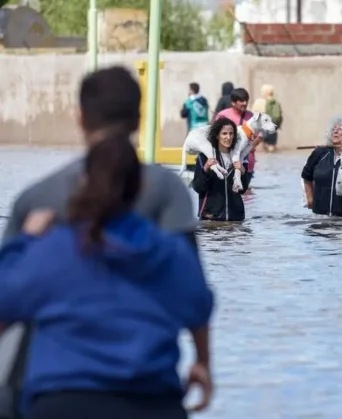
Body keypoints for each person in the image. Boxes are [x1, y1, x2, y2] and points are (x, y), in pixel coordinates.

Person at [0, 66, 207, 417]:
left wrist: (27, 243)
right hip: (149, 388)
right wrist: (203, 363)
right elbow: (195, 296)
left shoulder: (39, 206)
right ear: (139, 118)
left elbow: (8, 301)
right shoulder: (167, 200)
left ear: (80, 117)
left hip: (51, 388)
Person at [301, 116, 342, 217]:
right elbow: (306, 176)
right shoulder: (320, 153)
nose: (335, 131)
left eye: (339, 129)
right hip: (320, 217)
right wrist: (310, 198)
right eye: (333, 129)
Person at [191, 117, 249, 221]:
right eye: (224, 133)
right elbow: (198, 187)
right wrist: (205, 169)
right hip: (210, 218)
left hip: (235, 219)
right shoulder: (204, 156)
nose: (228, 137)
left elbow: (243, 189)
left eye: (231, 133)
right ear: (217, 135)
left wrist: (243, 171)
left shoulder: (239, 157)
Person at [214, 87, 261, 186]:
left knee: (245, 195)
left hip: (246, 164)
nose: (245, 103)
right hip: (226, 163)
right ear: (233, 102)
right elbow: (215, 135)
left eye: (246, 101)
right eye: (241, 101)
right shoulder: (223, 115)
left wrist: (249, 148)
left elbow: (258, 136)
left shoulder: (252, 117)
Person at [251, 84, 283, 152]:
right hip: (272, 129)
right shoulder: (275, 103)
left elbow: (252, 115)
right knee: (271, 148)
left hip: (261, 129)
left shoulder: (258, 102)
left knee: (261, 150)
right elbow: (279, 117)